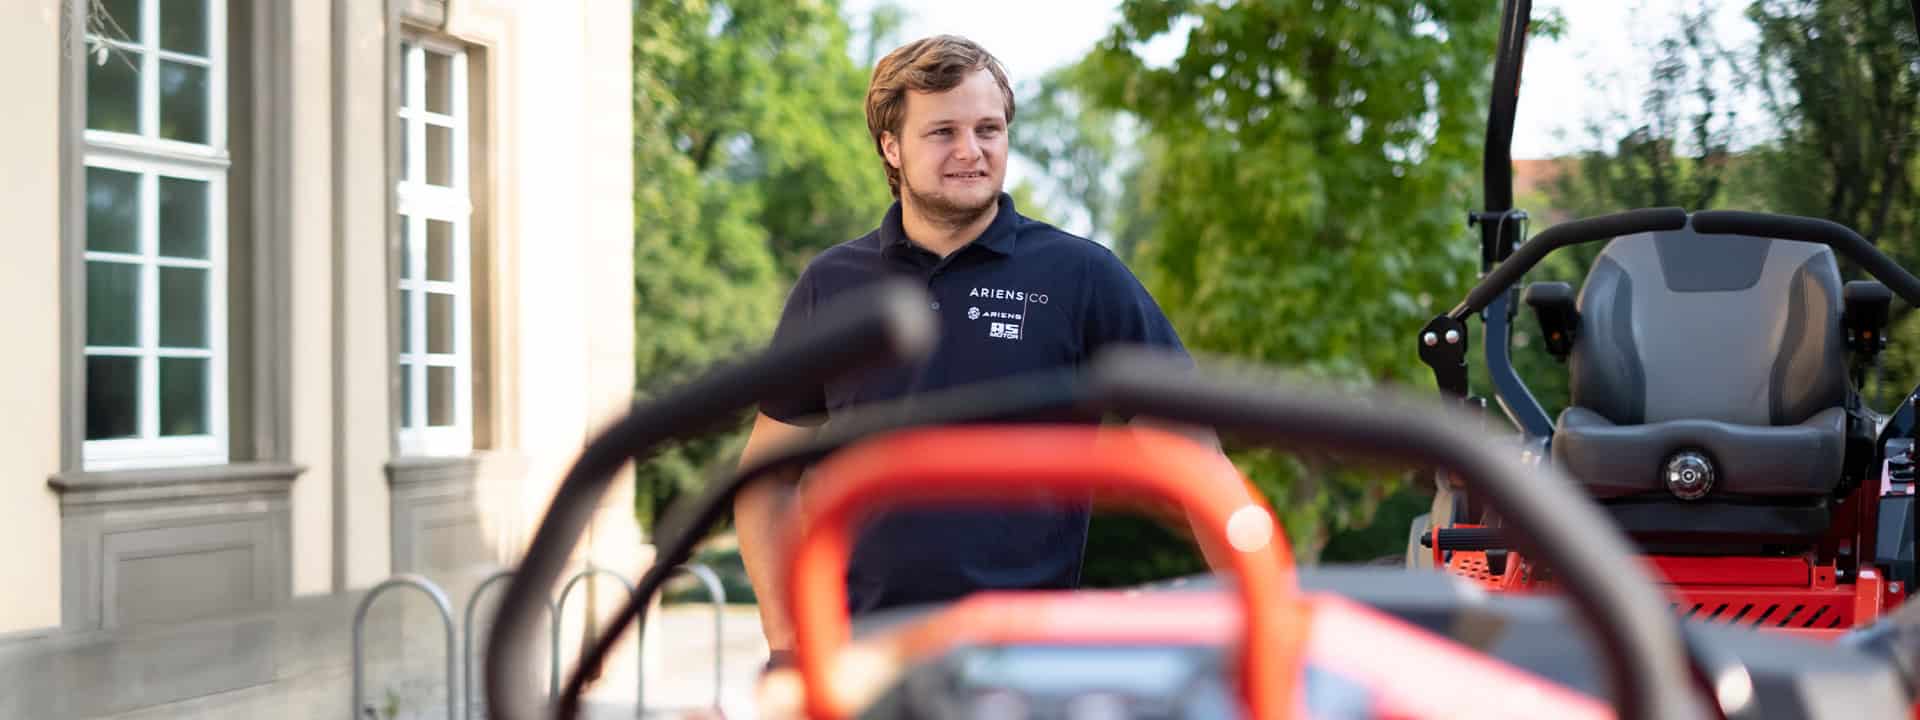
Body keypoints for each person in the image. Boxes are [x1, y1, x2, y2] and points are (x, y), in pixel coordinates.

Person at [732, 34, 1219, 673]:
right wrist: (787, 642)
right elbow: (764, 481)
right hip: (866, 662)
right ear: (891, 146)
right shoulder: (832, 284)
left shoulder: (1082, 275)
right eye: (942, 133)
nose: (971, 151)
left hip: (1029, 661)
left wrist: (1277, 624)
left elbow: (1195, 460)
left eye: (988, 128)